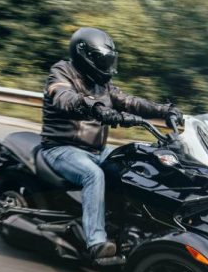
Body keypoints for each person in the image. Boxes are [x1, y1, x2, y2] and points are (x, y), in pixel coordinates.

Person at [40, 27, 183, 259]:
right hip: (61, 148)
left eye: (108, 61)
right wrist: (95, 107)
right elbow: (63, 97)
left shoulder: (102, 84)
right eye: (102, 61)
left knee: (136, 166)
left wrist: (163, 110)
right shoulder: (61, 72)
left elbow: (129, 101)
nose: (106, 66)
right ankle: (96, 241)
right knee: (93, 175)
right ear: (85, 57)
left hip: (96, 149)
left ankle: (129, 224)